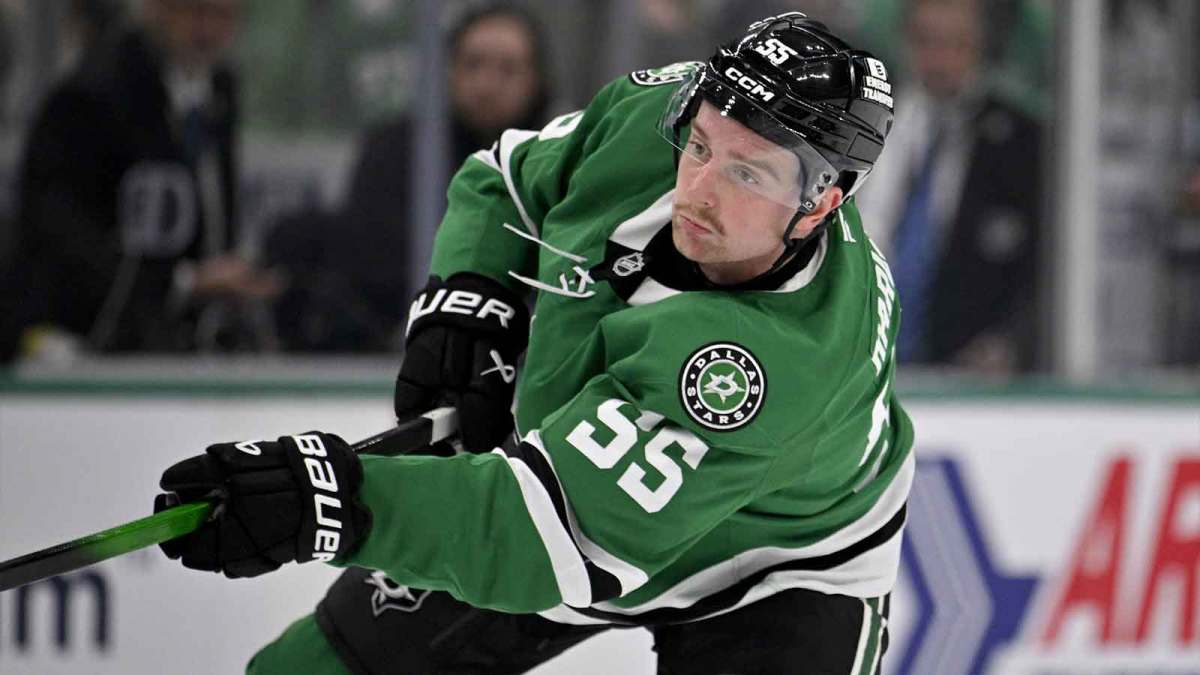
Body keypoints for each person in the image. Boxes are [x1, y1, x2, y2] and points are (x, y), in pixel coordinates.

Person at [155, 12, 912, 673]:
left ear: (821, 204)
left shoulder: (779, 359)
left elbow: (542, 540)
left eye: (749, 172)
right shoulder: (654, 117)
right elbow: (507, 177)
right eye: (703, 145)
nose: (700, 188)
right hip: (569, 493)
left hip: (772, 569)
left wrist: (330, 499)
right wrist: (470, 299)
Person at [264, 3, 554, 351]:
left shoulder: (560, 160)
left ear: (536, 80)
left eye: (507, 69)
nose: (486, 83)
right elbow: (375, 263)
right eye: (472, 64)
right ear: (447, 71)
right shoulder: (399, 151)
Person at [0, 0, 278, 363]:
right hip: (83, 343)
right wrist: (184, 282)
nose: (208, 31)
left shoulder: (219, 89)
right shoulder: (90, 95)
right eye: (195, 11)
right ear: (154, 9)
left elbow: (212, 210)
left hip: (181, 342)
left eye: (224, 16)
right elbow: (62, 240)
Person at [854, 0, 1044, 374]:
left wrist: (1008, 340)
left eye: (957, 44)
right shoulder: (863, 125)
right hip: (859, 358)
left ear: (983, 48)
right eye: (926, 41)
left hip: (967, 371)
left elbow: (1038, 268)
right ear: (904, 42)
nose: (940, 59)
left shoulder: (1022, 143)